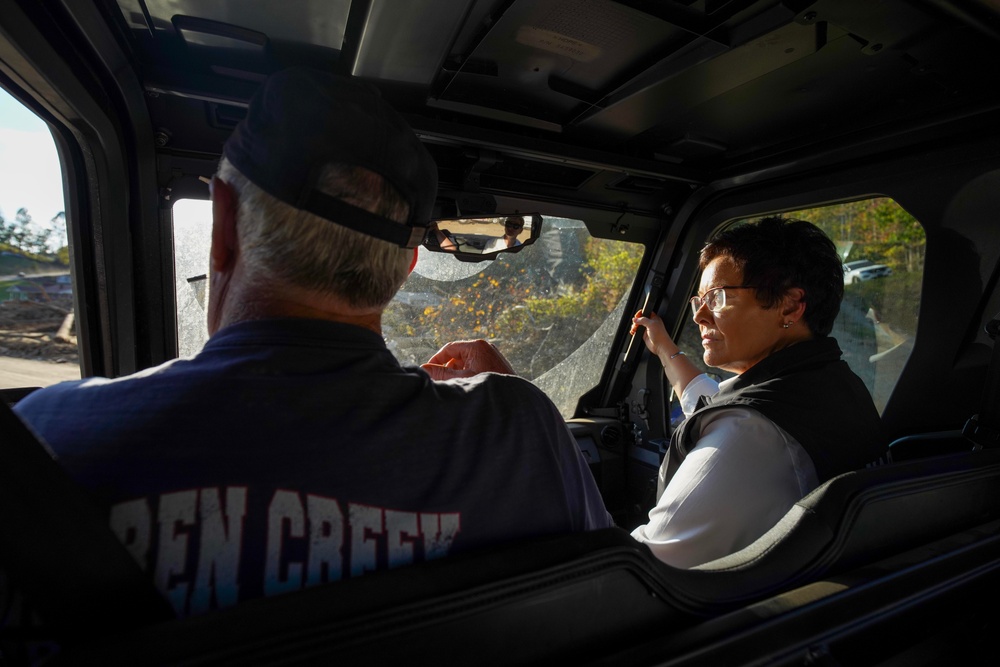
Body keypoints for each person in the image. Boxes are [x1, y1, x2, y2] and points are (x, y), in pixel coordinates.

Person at [13, 68, 611, 617]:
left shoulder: (44, 448)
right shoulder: (524, 432)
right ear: (405, 268)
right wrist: (507, 405)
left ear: (223, 226)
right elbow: (610, 602)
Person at [629, 216, 888, 568]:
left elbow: (645, 568)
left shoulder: (748, 435)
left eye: (718, 297)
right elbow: (714, 403)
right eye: (699, 301)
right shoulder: (831, 384)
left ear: (790, 306)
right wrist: (665, 350)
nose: (699, 316)